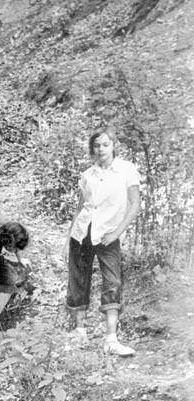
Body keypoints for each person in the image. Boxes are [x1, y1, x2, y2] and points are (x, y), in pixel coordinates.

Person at [66, 129, 141, 356]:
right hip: (82, 233)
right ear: (93, 149)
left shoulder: (126, 170)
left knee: (112, 281)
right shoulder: (87, 174)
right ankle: (80, 331)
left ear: (113, 146)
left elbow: (134, 205)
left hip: (109, 234)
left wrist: (117, 232)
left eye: (105, 145)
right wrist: (69, 236)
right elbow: (81, 208)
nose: (101, 149)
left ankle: (111, 338)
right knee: (78, 280)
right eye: (97, 146)